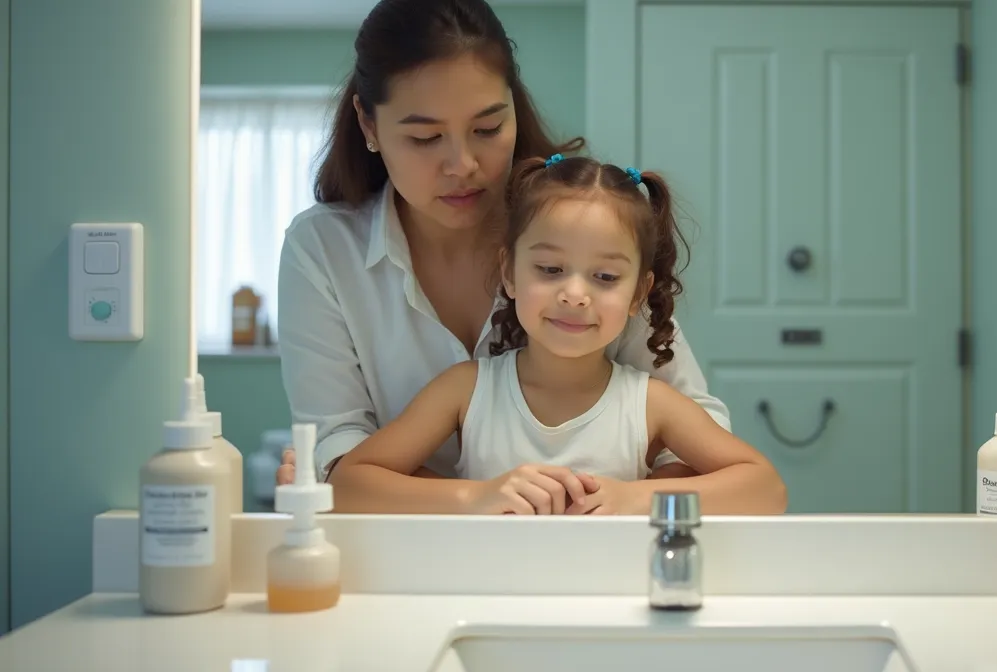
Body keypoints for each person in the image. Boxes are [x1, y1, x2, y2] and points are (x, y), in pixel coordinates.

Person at [275, 0, 732, 504]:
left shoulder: (582, 228)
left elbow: (704, 441)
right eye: (425, 137)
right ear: (368, 125)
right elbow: (340, 459)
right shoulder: (322, 249)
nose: (462, 164)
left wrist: (609, 502)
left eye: (488, 129)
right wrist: (481, 500)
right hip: (399, 541)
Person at [331, 154, 788, 515]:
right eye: (550, 269)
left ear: (638, 294)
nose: (574, 294)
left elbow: (766, 489)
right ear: (510, 272)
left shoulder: (652, 404)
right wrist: (474, 497)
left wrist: (635, 499)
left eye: (605, 277)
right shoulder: (465, 389)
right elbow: (347, 484)